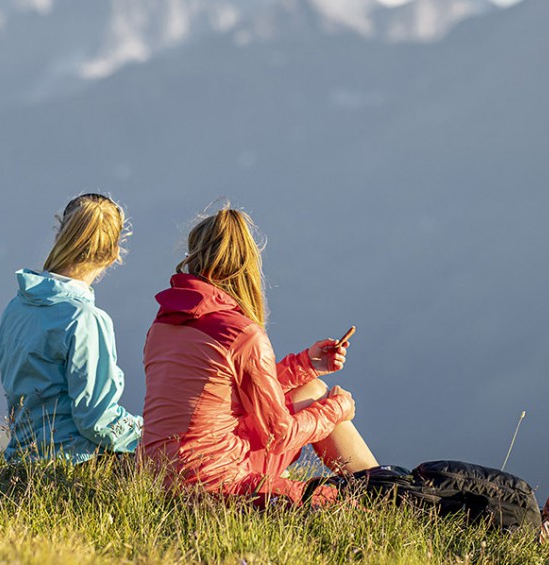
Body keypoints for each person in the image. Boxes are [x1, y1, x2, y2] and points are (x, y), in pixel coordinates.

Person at [140, 206, 379, 507]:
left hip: (155, 477)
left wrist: (306, 364)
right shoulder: (241, 333)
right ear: (247, 266)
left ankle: (379, 485)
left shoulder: (161, 326)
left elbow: (227, 391)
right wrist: (337, 409)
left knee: (311, 388)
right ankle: (380, 491)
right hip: (215, 485)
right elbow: (278, 435)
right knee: (341, 497)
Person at [0, 193, 143, 462]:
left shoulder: (17, 306)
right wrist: (146, 432)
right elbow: (96, 418)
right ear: (113, 254)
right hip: (74, 462)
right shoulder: (85, 319)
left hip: (21, 459)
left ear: (59, 235)